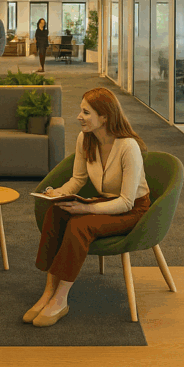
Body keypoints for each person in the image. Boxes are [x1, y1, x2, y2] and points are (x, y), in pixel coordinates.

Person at [26, 87, 150, 328]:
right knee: (57, 211)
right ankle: (48, 291)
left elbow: (125, 201)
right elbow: (78, 180)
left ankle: (60, 299)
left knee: (79, 224)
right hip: (105, 202)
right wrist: (57, 193)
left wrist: (87, 209)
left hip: (133, 209)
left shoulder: (128, 147)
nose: (78, 117)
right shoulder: (85, 138)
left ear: (104, 117)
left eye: (86, 112)